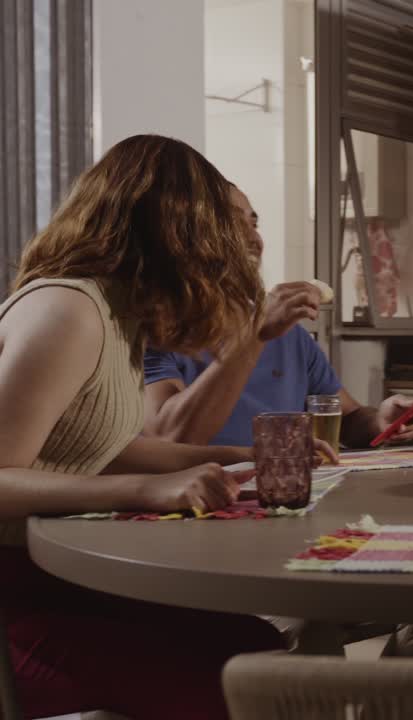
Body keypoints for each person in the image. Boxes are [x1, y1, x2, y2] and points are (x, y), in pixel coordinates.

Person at [0, 135, 285, 720]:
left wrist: (237, 455)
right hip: (12, 604)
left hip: (44, 576)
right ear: (180, 227)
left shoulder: (114, 313)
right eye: (224, 226)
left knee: (255, 647)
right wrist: (144, 490)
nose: (241, 247)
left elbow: (85, 446)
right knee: (244, 678)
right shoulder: (68, 311)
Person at [142, 185, 413, 449]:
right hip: (200, 498)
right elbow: (170, 435)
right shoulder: (157, 332)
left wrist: (380, 421)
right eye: (231, 223)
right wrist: (256, 333)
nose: (253, 238)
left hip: (283, 492)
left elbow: (347, 418)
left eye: (253, 224)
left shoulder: (290, 335)